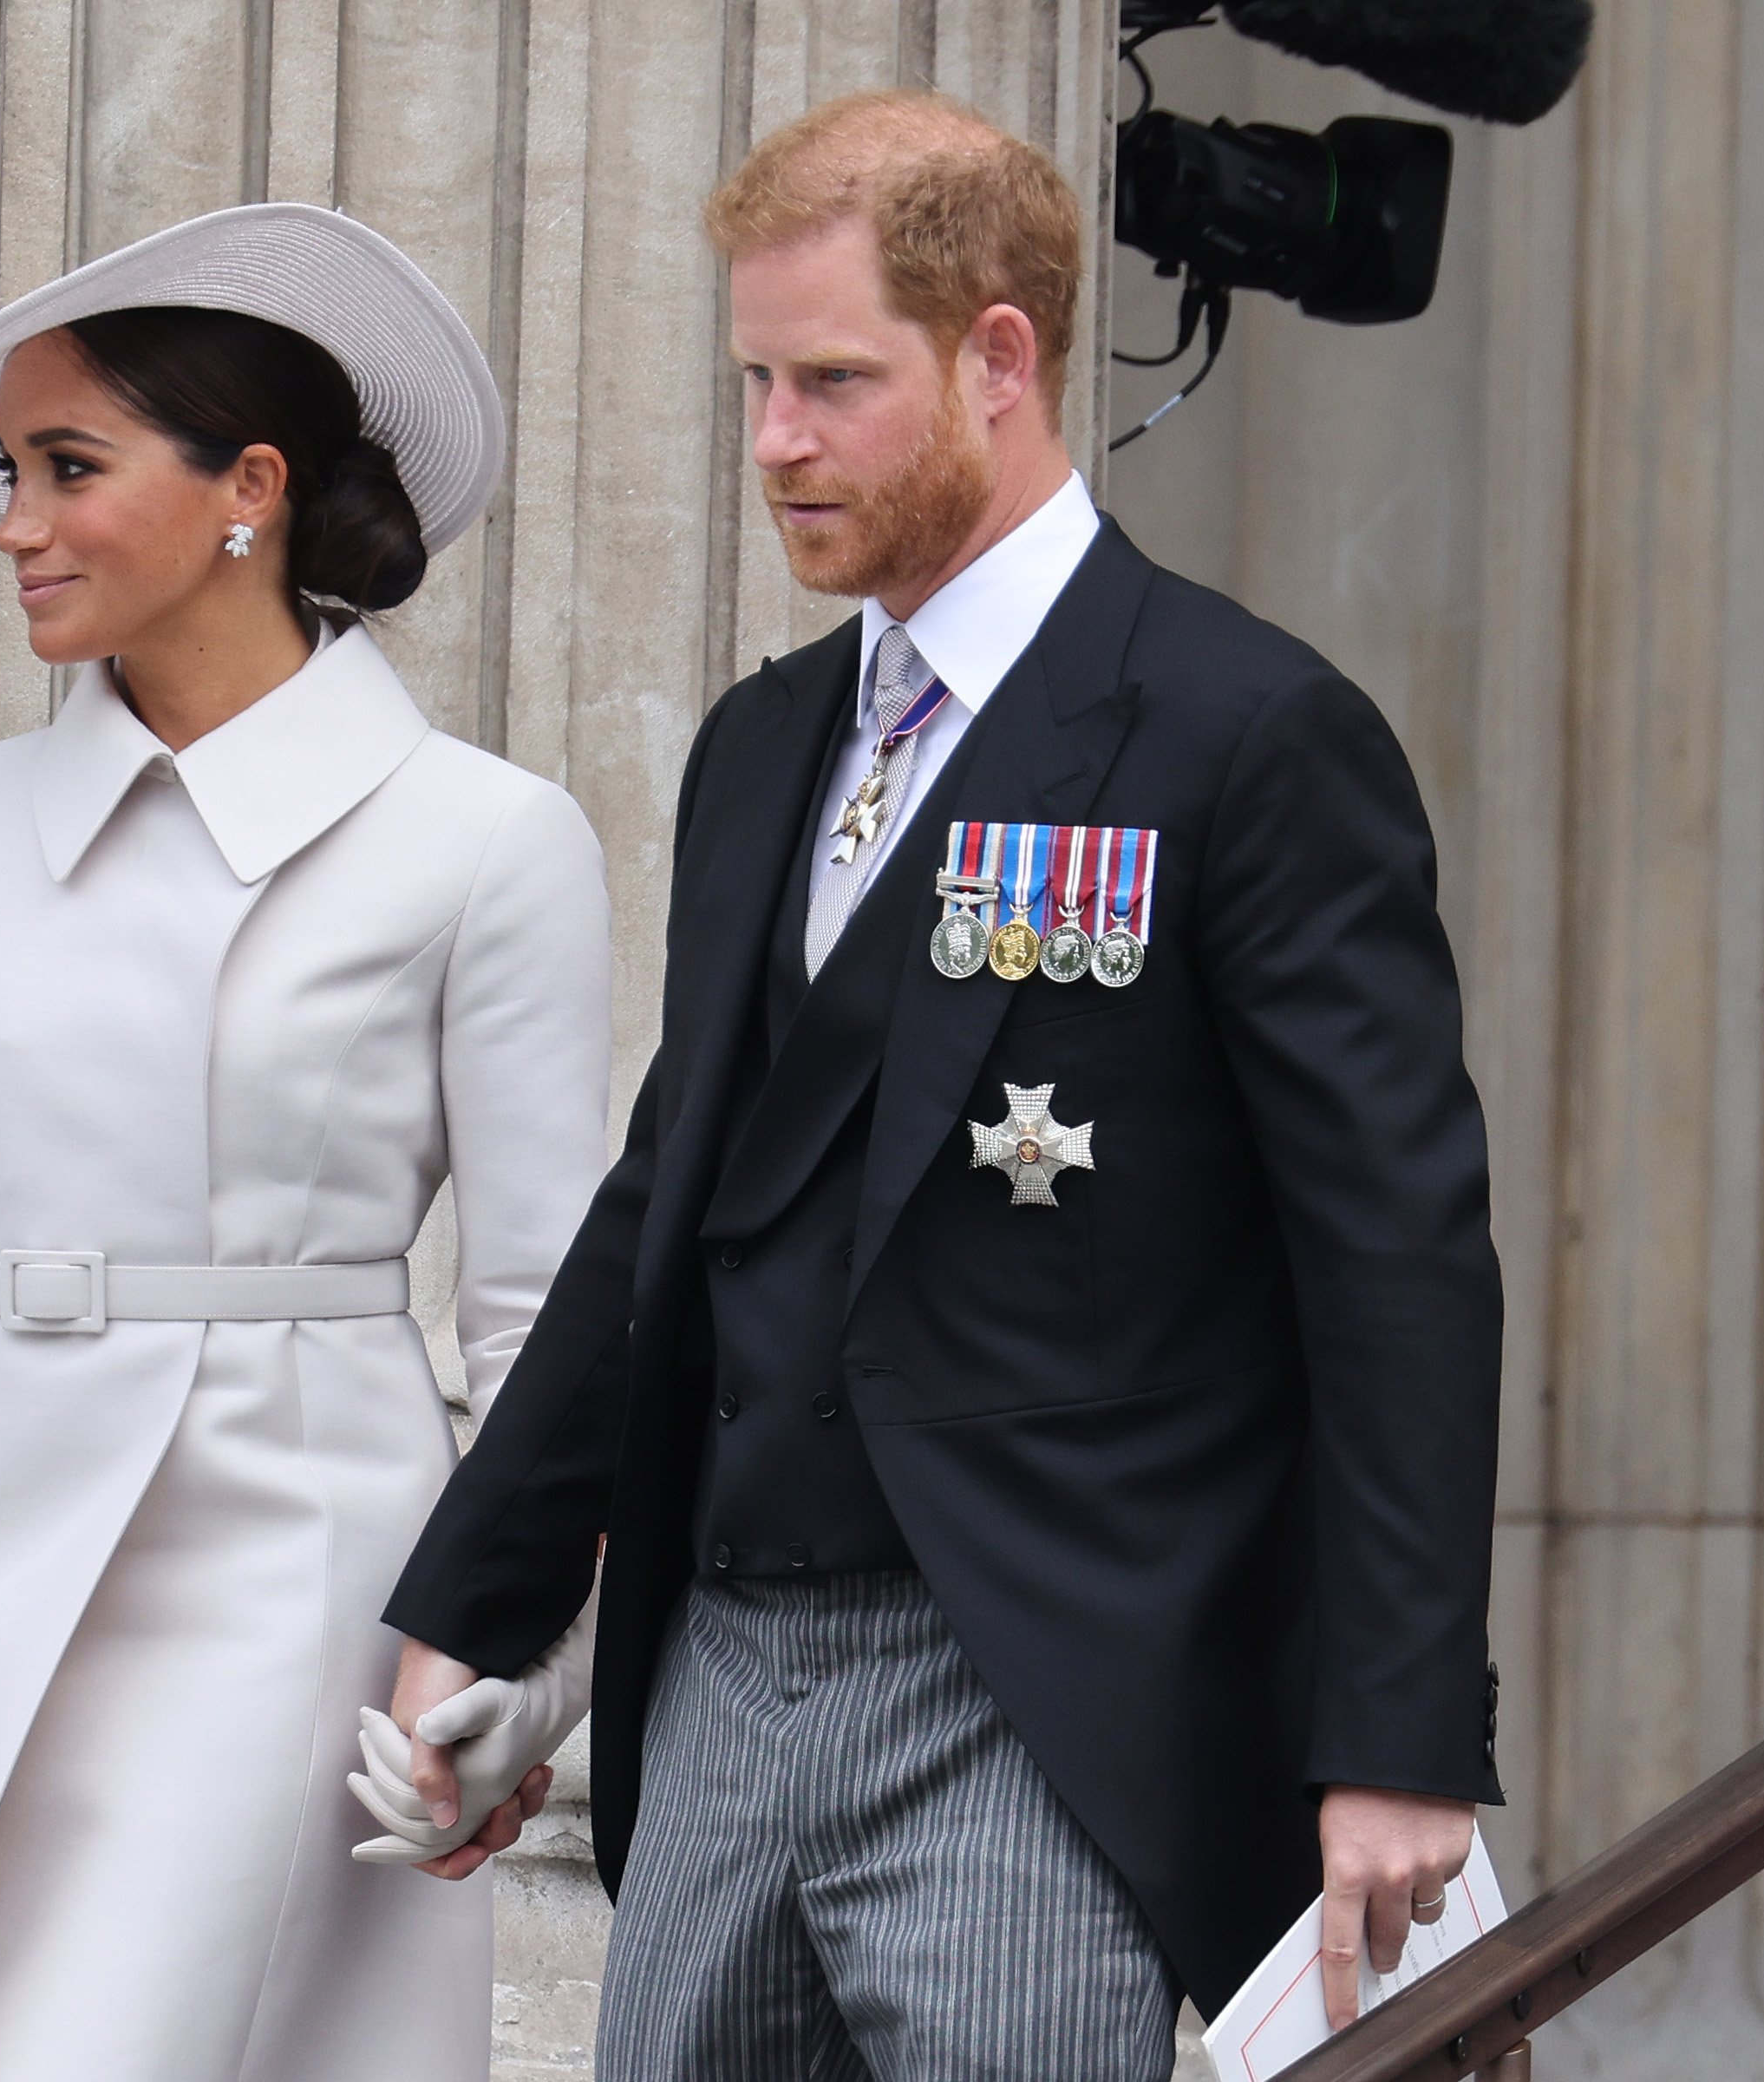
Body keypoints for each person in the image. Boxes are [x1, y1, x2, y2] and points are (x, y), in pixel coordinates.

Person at [378, 91, 1507, 2080]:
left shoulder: (1250, 736)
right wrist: (483, 1602)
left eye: (831, 381)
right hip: (721, 1673)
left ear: (1001, 357)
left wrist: (1399, 1742)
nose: (774, 444)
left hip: (1033, 1695)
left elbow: (1397, 1264)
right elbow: (672, 1199)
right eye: (753, 382)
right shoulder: (763, 742)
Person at [0, 203, 615, 2082]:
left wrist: (535, 1664)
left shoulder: (485, 840)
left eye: (67, 468)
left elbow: (543, 1330)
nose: (14, 525)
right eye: (6, 474)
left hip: (286, 1604)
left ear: (245, 491)